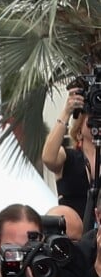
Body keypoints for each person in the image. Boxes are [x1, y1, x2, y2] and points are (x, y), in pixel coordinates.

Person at [42, 87, 97, 224]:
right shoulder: (68, 156)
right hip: (72, 234)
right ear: (79, 130)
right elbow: (48, 158)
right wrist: (67, 112)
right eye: (91, 118)